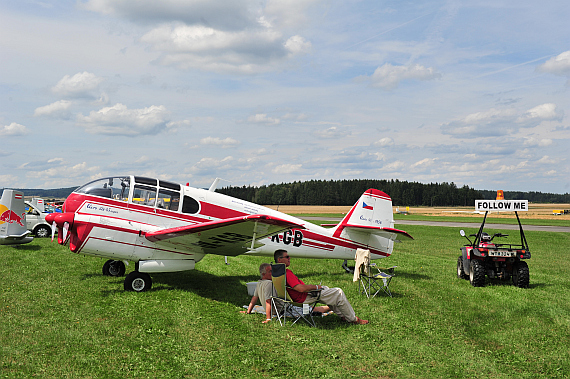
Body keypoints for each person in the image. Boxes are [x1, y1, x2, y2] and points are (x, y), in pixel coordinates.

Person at [274, 249, 369, 325]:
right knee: (338, 292)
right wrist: (315, 287)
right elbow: (300, 289)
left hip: (294, 298)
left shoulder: (277, 273)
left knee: (327, 290)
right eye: (287, 257)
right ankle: (353, 319)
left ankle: (343, 315)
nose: (289, 258)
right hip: (304, 297)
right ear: (279, 259)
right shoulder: (287, 273)